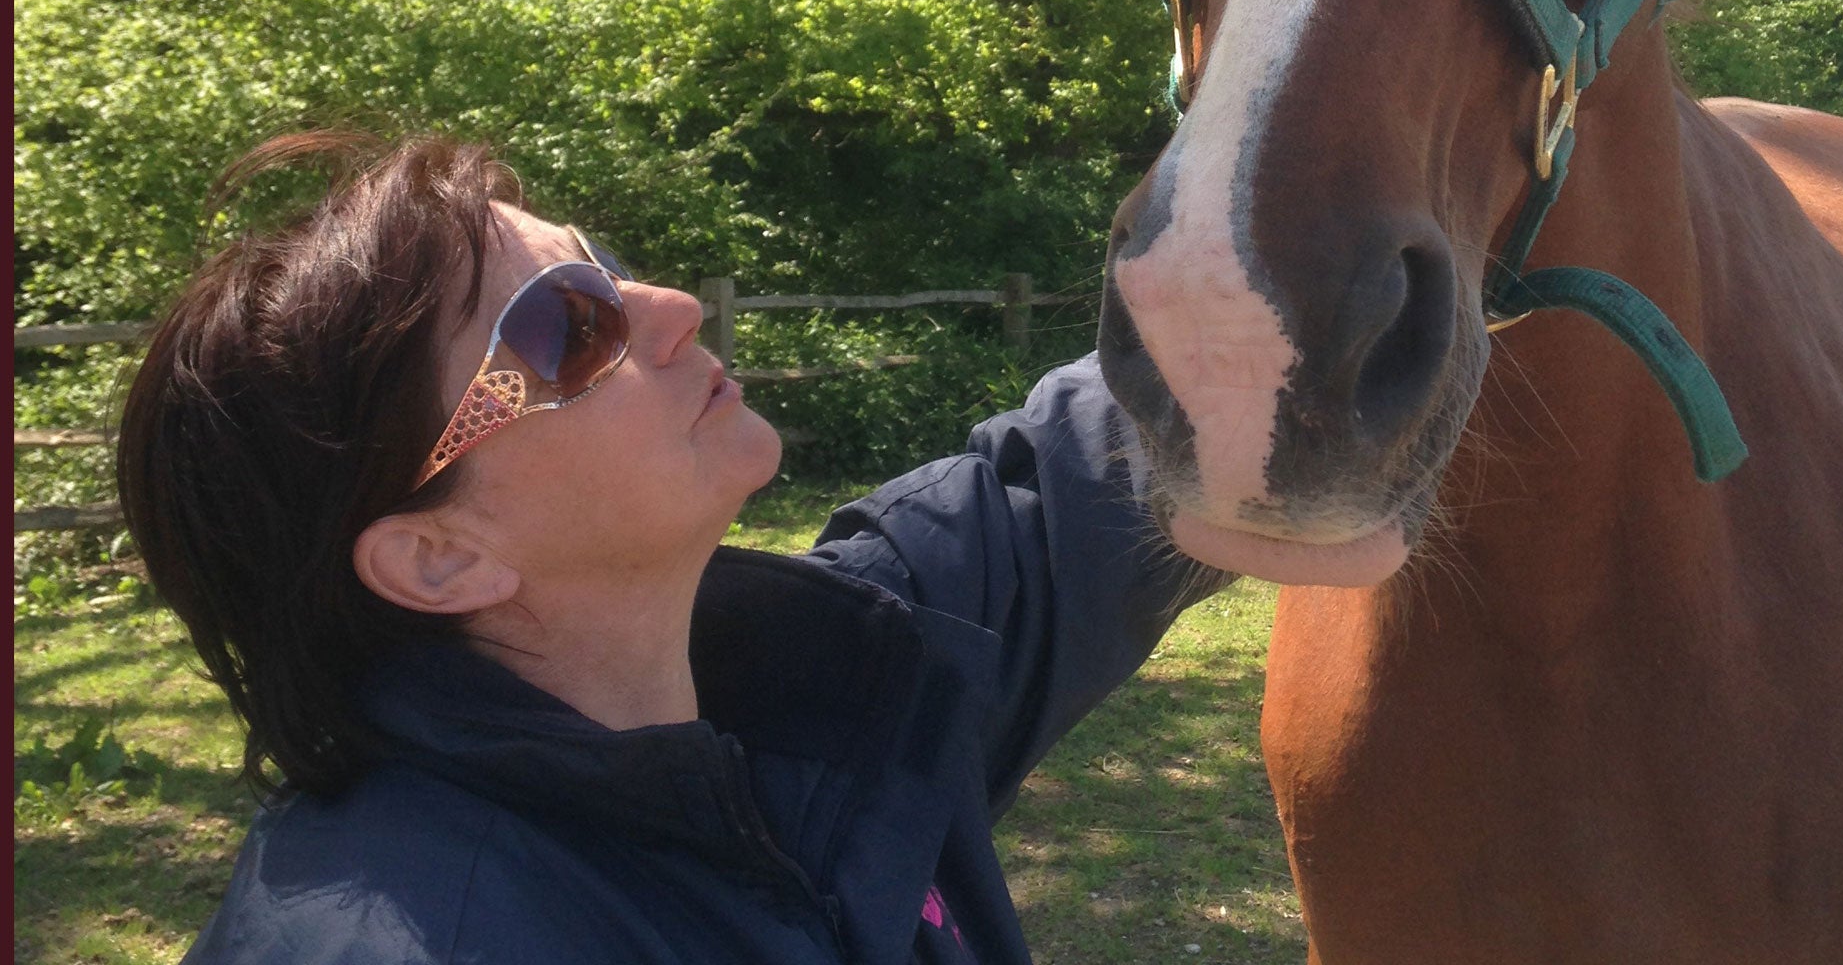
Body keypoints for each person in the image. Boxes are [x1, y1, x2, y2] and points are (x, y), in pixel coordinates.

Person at [118, 131, 1226, 964]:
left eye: (604, 268)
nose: (674, 306)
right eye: (567, 330)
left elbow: (1148, 424)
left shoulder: (835, 688)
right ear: (439, 557)